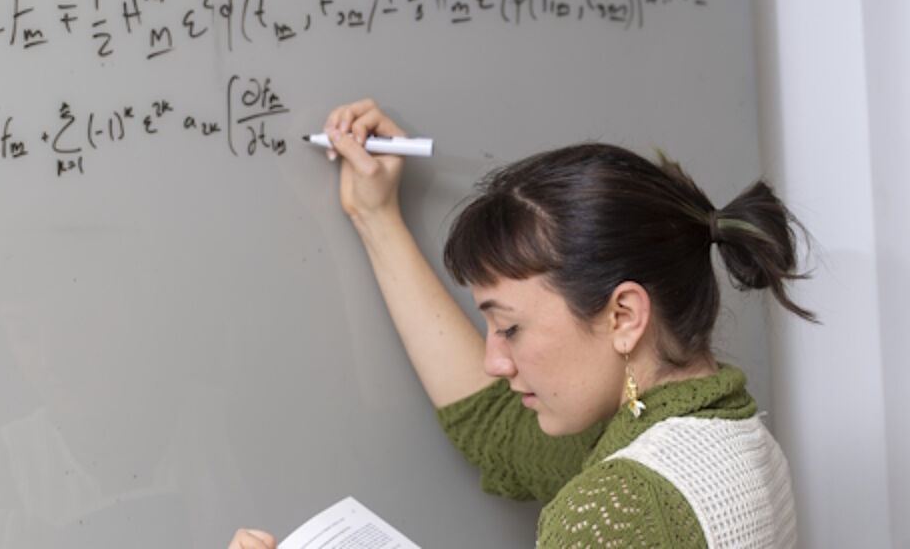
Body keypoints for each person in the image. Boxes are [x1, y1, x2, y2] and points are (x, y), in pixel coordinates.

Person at [229, 99, 813, 549]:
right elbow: (498, 430)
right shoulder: (734, 440)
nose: (495, 361)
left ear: (624, 315)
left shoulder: (616, 509)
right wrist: (375, 217)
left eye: (509, 329)